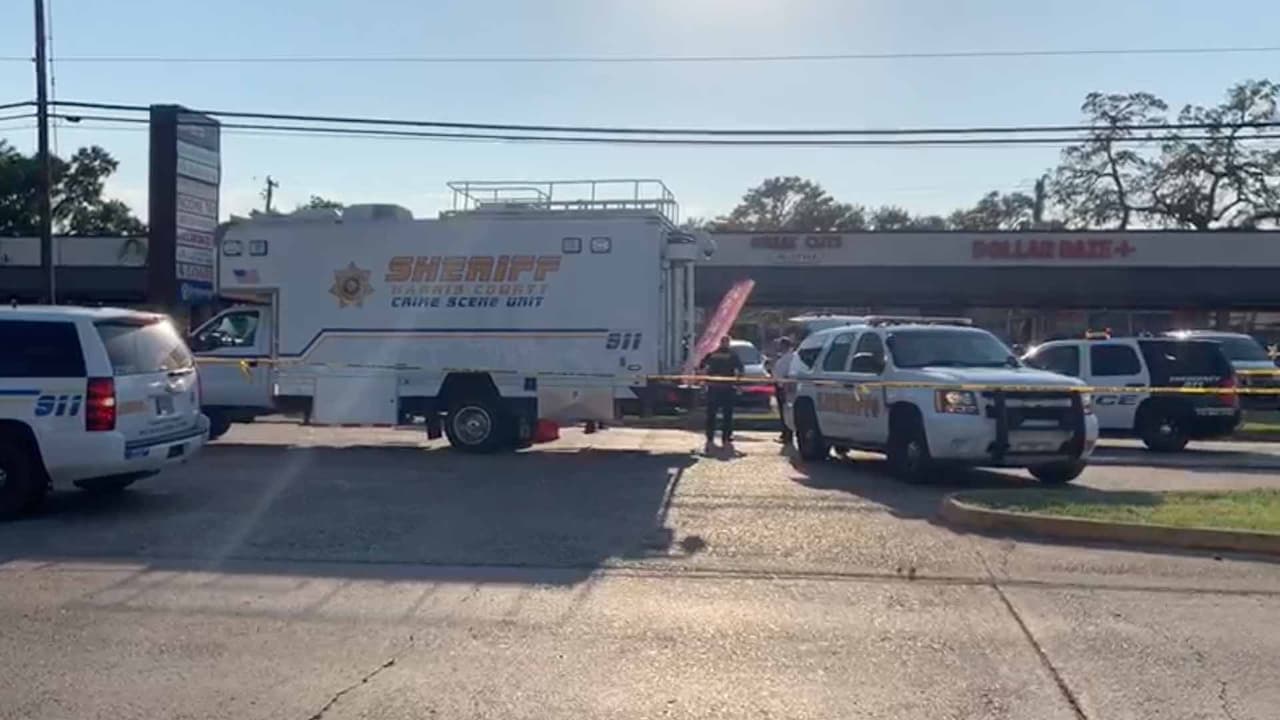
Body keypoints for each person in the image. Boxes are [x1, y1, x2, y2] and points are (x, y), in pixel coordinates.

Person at [699, 335, 744, 451]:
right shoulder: (733, 355)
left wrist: (704, 379)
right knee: (727, 415)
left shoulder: (712, 354)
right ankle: (726, 438)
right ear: (728, 343)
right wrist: (738, 383)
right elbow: (741, 370)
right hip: (727, 388)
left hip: (713, 388)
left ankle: (710, 438)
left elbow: (701, 365)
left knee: (711, 415)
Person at [771, 336, 796, 444]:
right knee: (785, 411)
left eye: (780, 345)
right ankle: (785, 434)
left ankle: (787, 435)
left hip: (784, 388)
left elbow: (782, 373)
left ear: (784, 346)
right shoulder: (789, 357)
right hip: (783, 386)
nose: (778, 347)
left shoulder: (788, 358)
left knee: (784, 412)